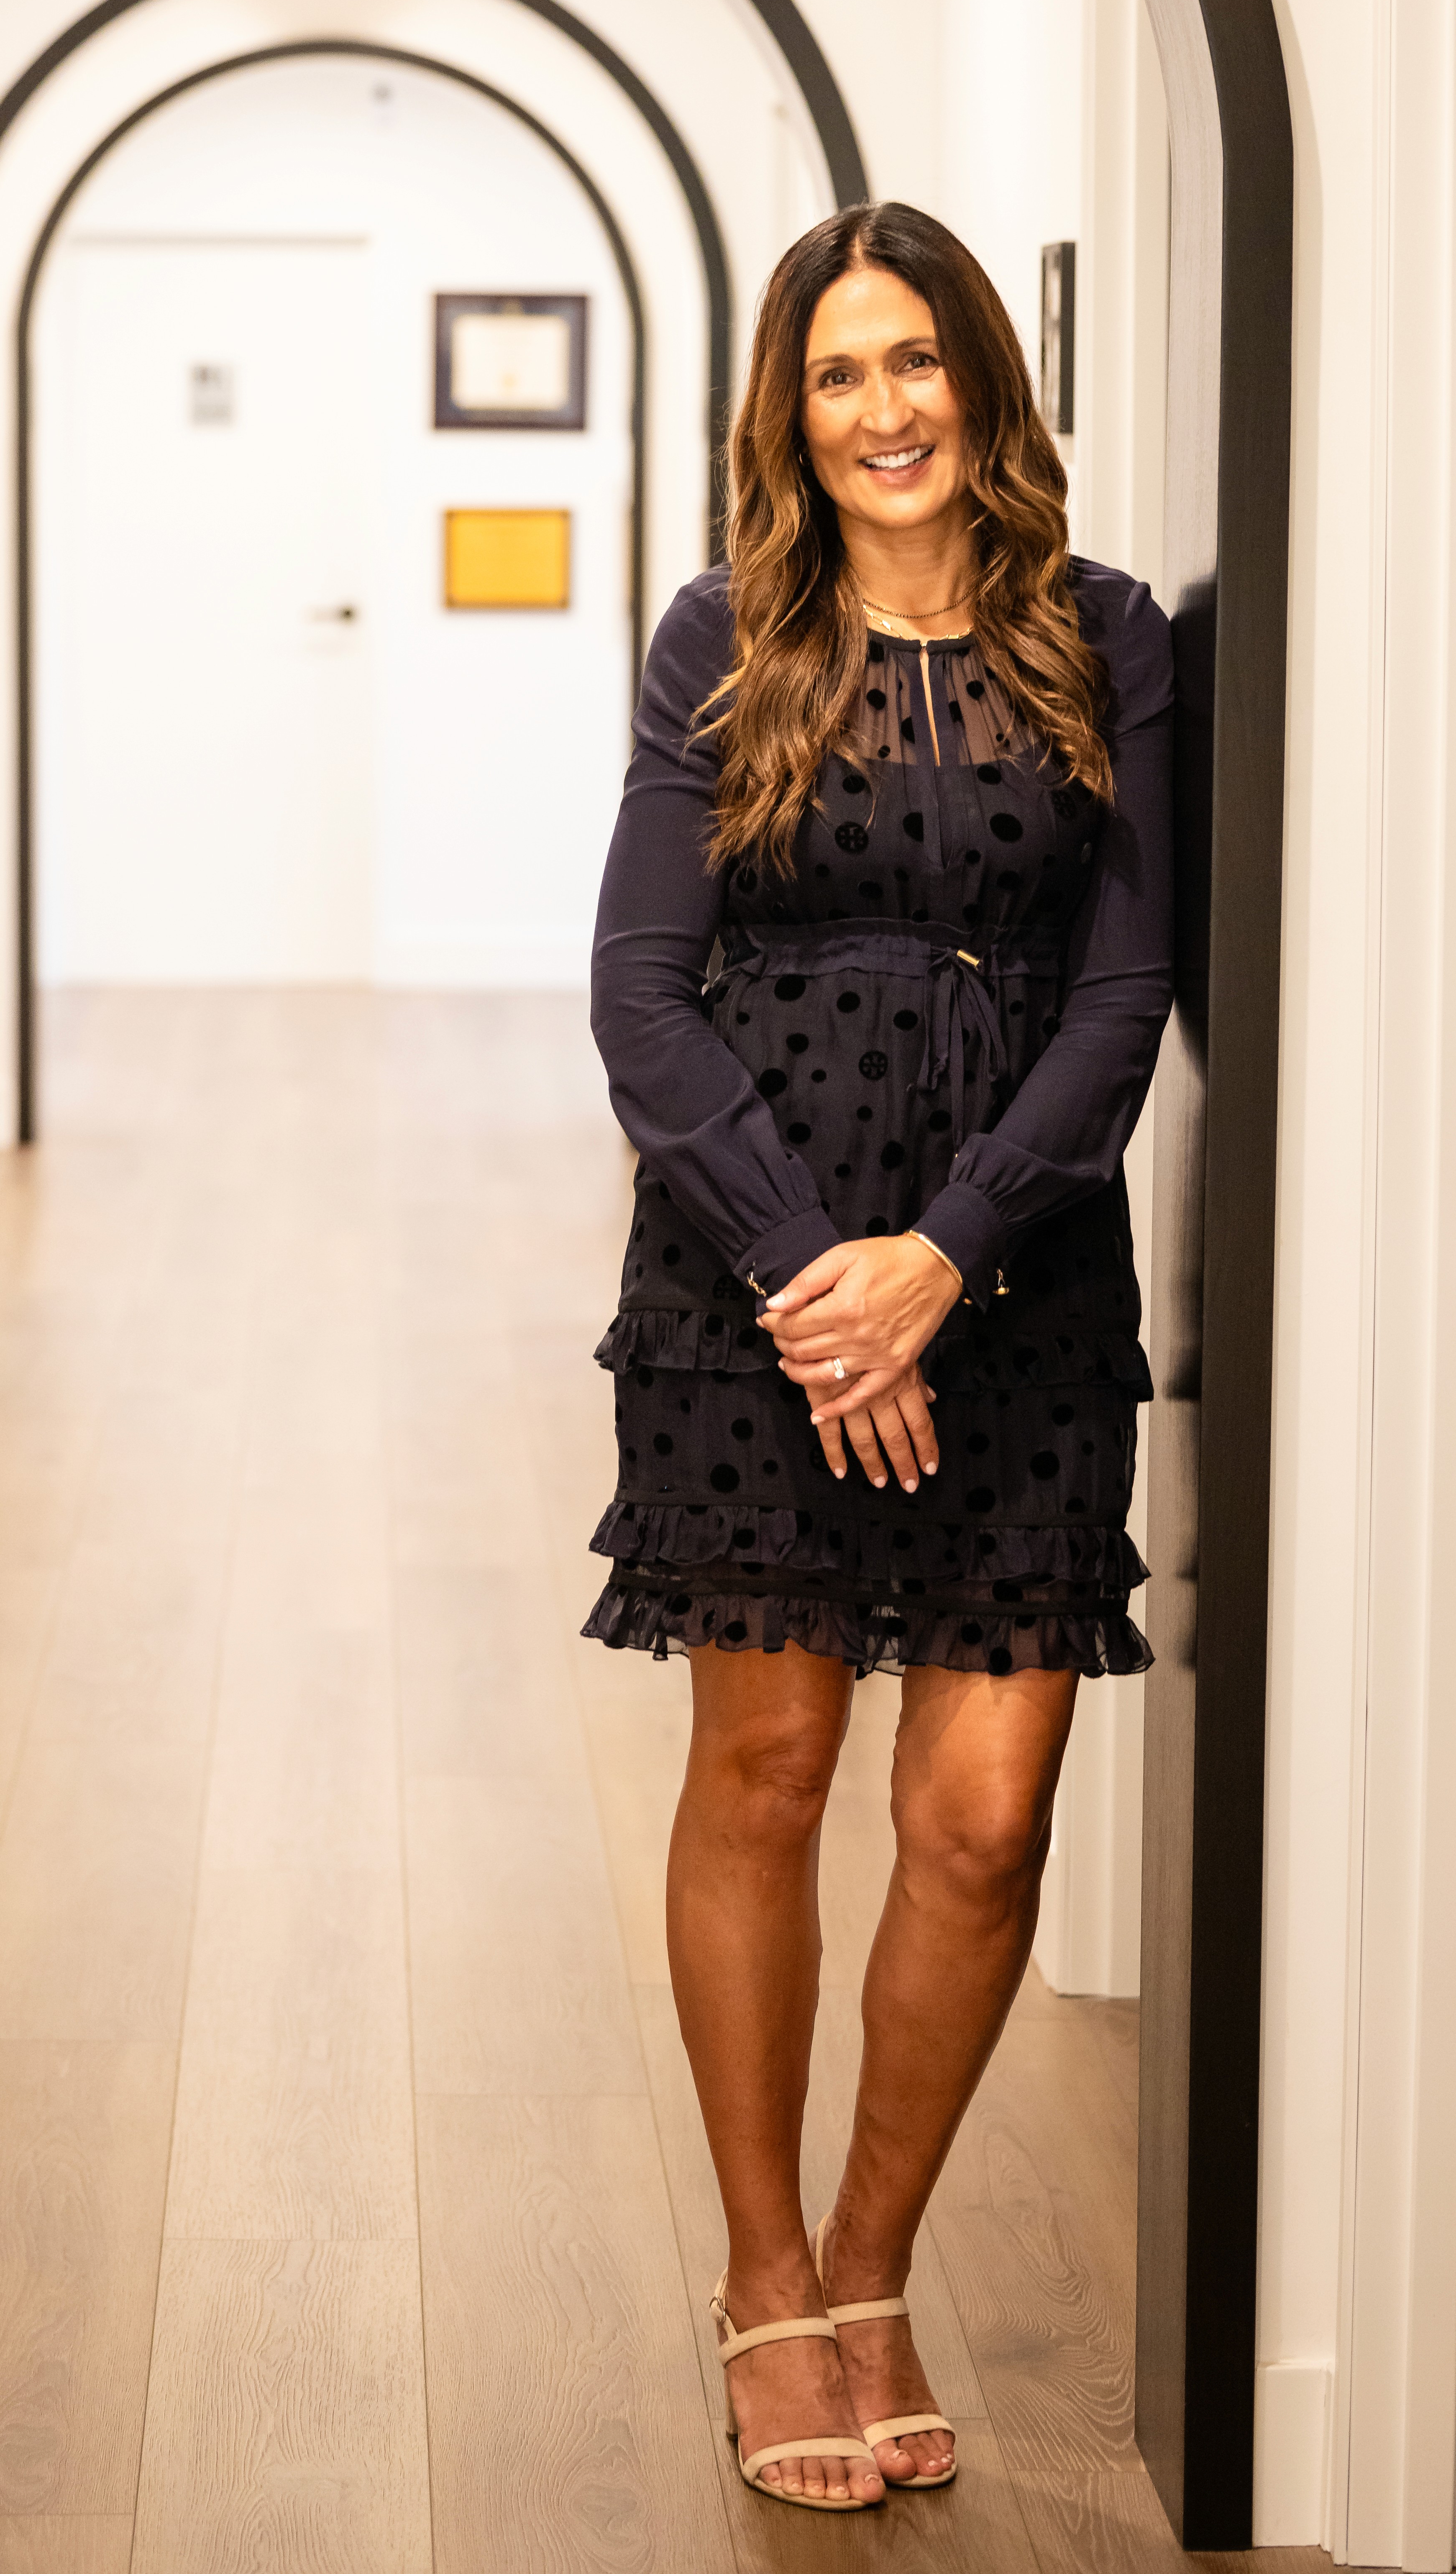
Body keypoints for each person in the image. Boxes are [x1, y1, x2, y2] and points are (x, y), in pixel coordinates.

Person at [586, 201, 1172, 2513]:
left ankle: (870, 2259)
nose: (888, 408)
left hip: (1015, 1289)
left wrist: (940, 1259)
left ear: (985, 380)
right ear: (788, 409)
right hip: (756, 1298)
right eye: (841, 373)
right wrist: (816, 1284)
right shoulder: (725, 639)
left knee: (984, 1812)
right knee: (771, 1771)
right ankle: (762, 2282)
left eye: (920, 360)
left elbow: (1123, 994)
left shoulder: (1099, 635)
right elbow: (642, 990)